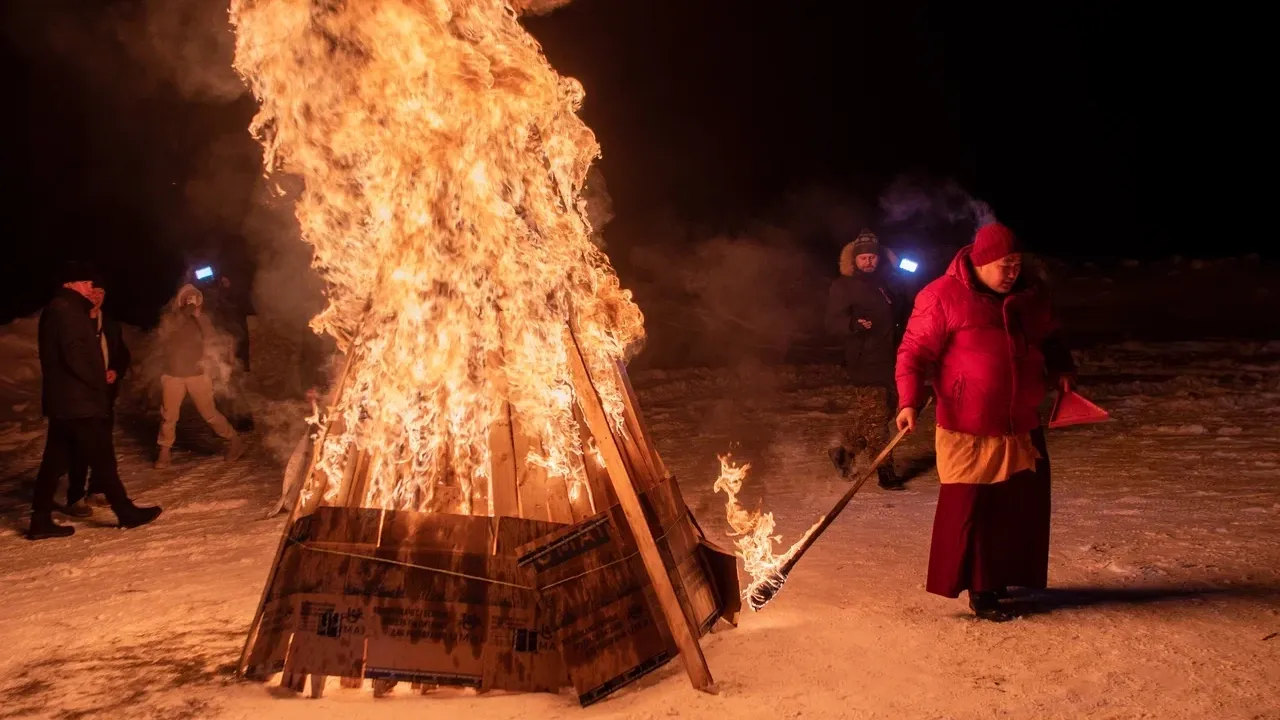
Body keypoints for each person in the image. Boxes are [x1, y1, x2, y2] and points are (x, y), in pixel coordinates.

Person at [895, 222, 1075, 621]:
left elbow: (1051, 335)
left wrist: (1062, 366)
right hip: (968, 426)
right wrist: (908, 401)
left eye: (1016, 262)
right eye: (1003, 264)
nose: (1012, 271)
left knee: (1014, 508)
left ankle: (1002, 578)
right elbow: (912, 353)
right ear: (979, 262)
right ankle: (981, 591)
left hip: (1019, 423)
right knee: (973, 512)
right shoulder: (942, 296)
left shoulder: (1030, 295)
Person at [28, 262, 162, 540]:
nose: (91, 288)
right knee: (102, 458)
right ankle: (125, 512)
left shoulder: (62, 308)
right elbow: (76, 355)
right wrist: (98, 383)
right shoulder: (67, 310)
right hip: (79, 402)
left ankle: (39, 520)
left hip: (66, 402)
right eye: (86, 283)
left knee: (53, 463)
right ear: (71, 284)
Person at [825, 229, 907, 489]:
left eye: (873, 257)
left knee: (880, 415)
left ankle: (844, 451)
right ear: (854, 260)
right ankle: (885, 469)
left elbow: (907, 305)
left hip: (891, 358)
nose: (869, 261)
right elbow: (831, 322)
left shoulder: (888, 283)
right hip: (864, 359)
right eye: (864, 258)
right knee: (876, 418)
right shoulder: (844, 285)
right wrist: (853, 323)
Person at [155, 284, 246, 468]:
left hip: (197, 374)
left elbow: (212, 341)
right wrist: (187, 312)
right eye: (187, 299)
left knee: (209, 413)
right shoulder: (172, 319)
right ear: (181, 301)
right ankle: (164, 452)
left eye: (195, 299)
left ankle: (235, 441)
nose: (191, 302)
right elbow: (166, 334)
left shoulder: (202, 319)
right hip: (173, 375)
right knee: (169, 416)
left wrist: (200, 319)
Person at [64, 282, 131, 517]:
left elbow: (122, 354)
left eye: (101, 292)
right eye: (92, 292)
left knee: (103, 445)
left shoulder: (109, 323)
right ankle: (75, 496)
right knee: (79, 447)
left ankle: (97, 488)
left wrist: (115, 370)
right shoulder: (76, 320)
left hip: (104, 394)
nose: (96, 296)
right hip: (81, 395)